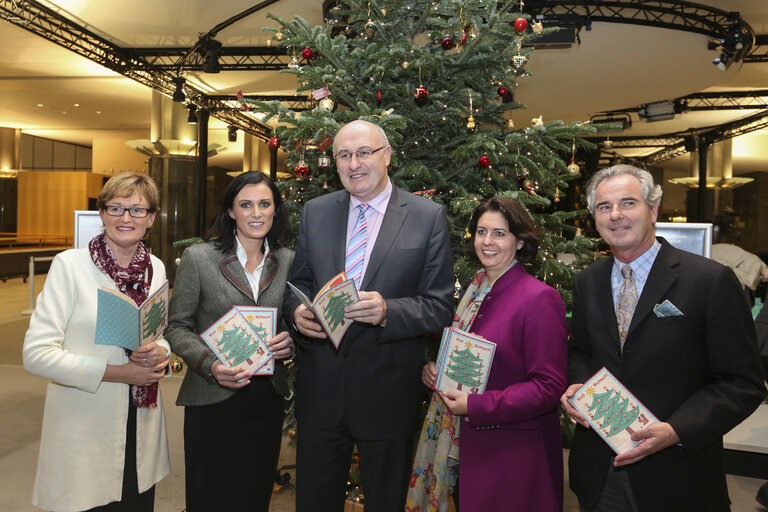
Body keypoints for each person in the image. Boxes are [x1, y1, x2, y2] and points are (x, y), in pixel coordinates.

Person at [560, 164, 767, 512]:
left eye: (628, 203)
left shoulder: (709, 281)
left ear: (653, 209)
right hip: (600, 473)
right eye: (604, 207)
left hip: (678, 474)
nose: (616, 215)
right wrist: (578, 388)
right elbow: (580, 352)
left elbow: (742, 383)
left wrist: (676, 430)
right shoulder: (587, 281)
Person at [286, 119, 454, 512]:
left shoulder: (426, 216)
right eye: (343, 155)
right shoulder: (316, 211)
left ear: (387, 155)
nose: (354, 164)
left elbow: (439, 305)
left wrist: (387, 311)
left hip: (388, 394)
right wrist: (297, 313)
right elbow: (299, 283)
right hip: (322, 391)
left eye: (364, 152)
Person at [23, 172, 170, 511]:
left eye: (137, 210)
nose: (125, 218)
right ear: (102, 213)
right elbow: (36, 354)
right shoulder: (70, 266)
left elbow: (158, 331)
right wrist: (120, 373)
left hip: (141, 425)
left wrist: (160, 353)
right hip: (83, 426)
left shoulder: (156, 268)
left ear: (151, 218)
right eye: (116, 208)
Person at [414, 197, 568, 512]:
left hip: (514, 458)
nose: (487, 241)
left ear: (519, 241)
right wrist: (437, 373)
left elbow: (548, 387)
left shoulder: (539, 298)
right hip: (465, 451)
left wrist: (476, 405)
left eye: (499, 233)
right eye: (481, 232)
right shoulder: (474, 292)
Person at [165, 171, 295, 512]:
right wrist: (211, 365)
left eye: (264, 204)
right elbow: (177, 327)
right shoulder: (199, 258)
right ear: (230, 211)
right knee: (209, 496)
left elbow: (293, 322)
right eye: (246, 205)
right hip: (212, 398)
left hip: (265, 400)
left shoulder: (288, 261)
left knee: (254, 495)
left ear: (275, 209)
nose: (256, 213)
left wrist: (289, 342)